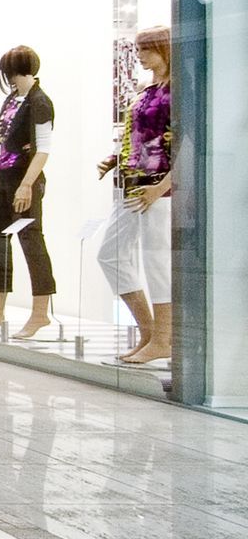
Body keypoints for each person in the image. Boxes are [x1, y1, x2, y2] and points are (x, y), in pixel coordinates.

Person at [96, 27, 173, 365]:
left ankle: (163, 339)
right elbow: (138, 135)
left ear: (163, 49)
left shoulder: (176, 91)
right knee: (110, 254)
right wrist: (115, 160)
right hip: (134, 183)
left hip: (158, 187)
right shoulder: (147, 90)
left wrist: (161, 187)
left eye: (146, 49)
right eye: (138, 48)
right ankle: (149, 331)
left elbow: (187, 143)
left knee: (157, 261)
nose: (139, 55)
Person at [0, 44, 57, 341]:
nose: (11, 78)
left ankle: (40, 312)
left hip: (25, 179)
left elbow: (43, 149)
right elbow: (3, 141)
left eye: (13, 72)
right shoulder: (12, 100)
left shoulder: (40, 102)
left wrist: (26, 185)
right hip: (6, 177)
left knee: (31, 241)